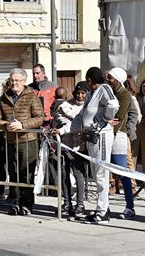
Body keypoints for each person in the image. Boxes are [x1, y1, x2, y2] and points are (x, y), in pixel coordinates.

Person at [61, 67, 119, 224]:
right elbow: (80, 119)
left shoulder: (104, 88)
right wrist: (61, 130)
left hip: (101, 136)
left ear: (90, 80)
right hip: (92, 137)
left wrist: (105, 118)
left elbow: (113, 104)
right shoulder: (91, 95)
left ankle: (102, 212)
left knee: (101, 174)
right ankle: (102, 208)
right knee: (96, 173)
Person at [0, 68, 45, 216]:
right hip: (10, 141)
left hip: (28, 140)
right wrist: (6, 125)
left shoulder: (31, 96)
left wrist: (22, 125)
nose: (14, 83)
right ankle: (14, 203)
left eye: (17, 80)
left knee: (26, 174)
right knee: (13, 173)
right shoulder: (3, 98)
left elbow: (40, 117)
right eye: (12, 80)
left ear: (23, 81)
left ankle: (27, 204)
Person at [51, 81, 88, 217]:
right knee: (64, 173)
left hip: (79, 146)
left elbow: (81, 121)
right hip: (65, 144)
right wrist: (68, 121)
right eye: (77, 93)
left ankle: (80, 204)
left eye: (83, 93)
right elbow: (59, 117)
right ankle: (67, 203)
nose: (80, 96)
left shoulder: (88, 106)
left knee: (79, 174)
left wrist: (70, 121)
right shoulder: (66, 104)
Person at [106, 67, 135, 219]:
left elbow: (118, 116)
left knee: (122, 171)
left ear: (117, 80)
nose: (108, 80)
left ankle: (130, 206)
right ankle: (104, 206)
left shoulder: (124, 95)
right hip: (106, 134)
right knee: (105, 171)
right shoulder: (109, 92)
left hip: (118, 136)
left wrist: (105, 122)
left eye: (110, 78)